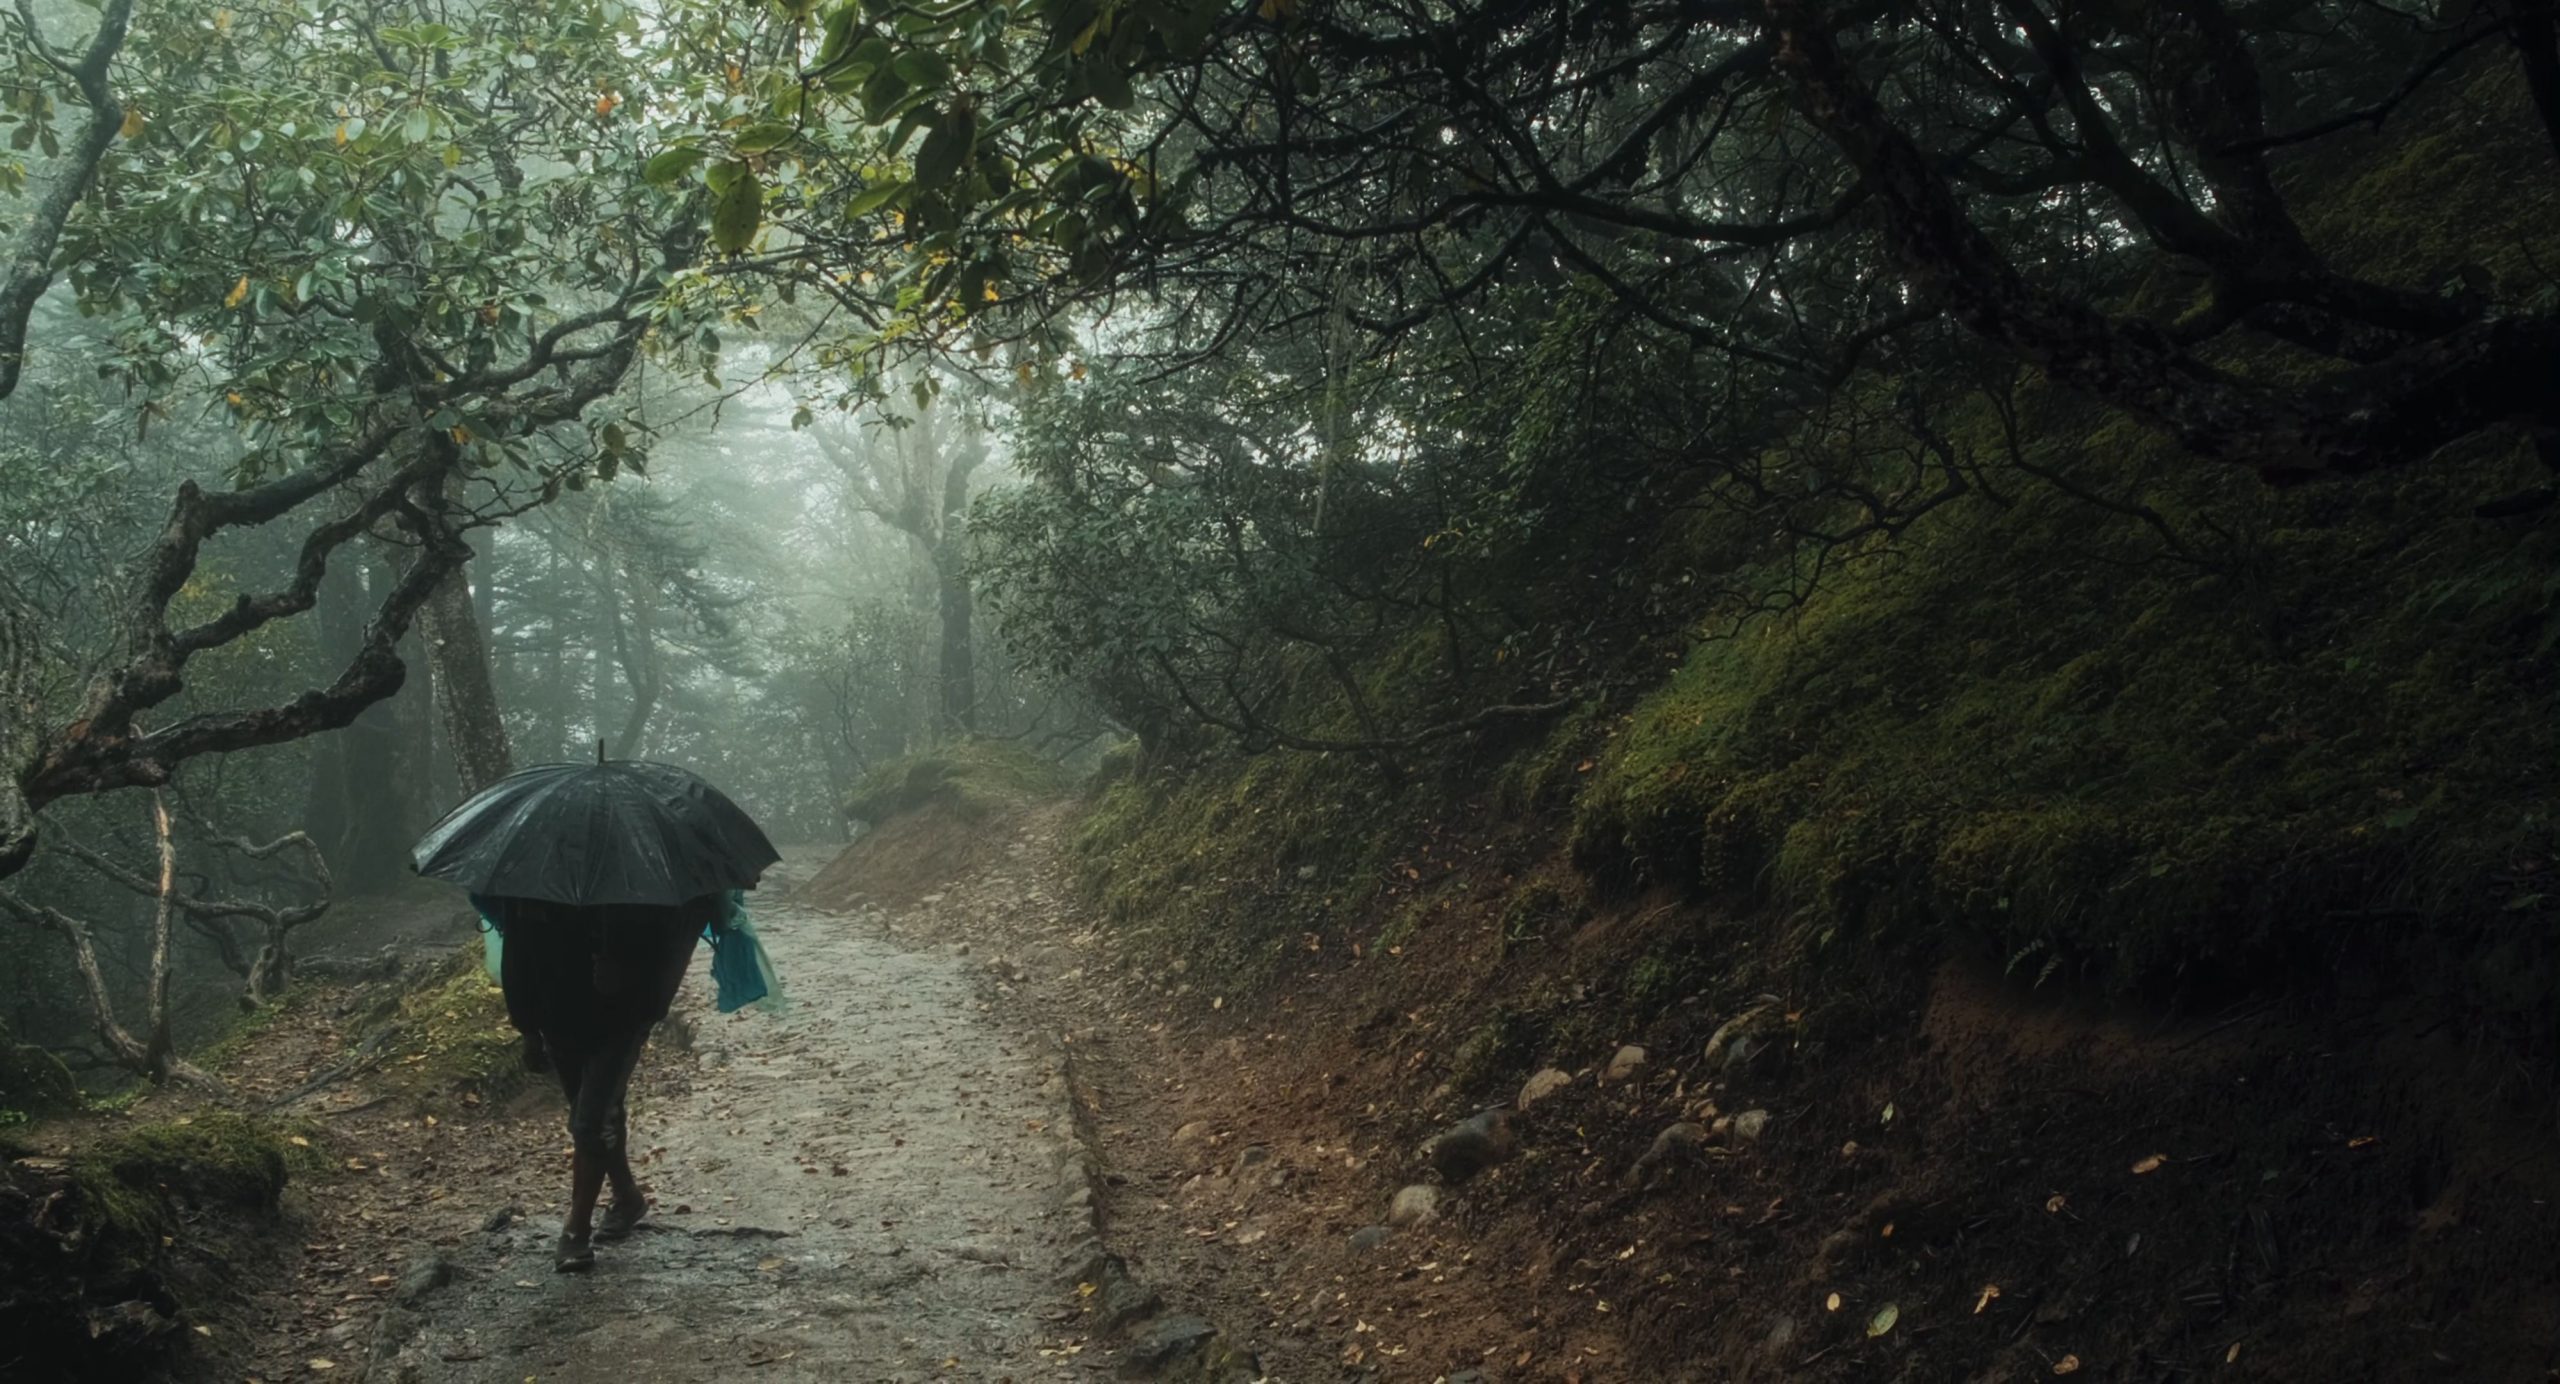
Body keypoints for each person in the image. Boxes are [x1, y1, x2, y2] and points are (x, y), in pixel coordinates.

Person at [482, 893, 717, 1272]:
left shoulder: (633, 886)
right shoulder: (533, 885)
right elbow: (518, 953)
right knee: (595, 1112)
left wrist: (623, 969)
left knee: (589, 1121)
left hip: (621, 1021)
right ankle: (627, 1196)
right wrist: (527, 1028)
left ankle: (576, 1230)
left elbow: (665, 948)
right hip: (557, 1015)